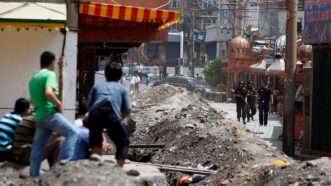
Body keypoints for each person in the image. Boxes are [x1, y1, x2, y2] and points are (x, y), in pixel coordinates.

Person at [29, 51, 79, 177]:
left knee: (38, 148)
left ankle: (33, 176)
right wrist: (59, 104)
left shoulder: (34, 78)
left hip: (40, 116)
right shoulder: (50, 74)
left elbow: (32, 100)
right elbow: (48, 93)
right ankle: (64, 164)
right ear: (51, 62)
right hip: (50, 113)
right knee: (73, 132)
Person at [87, 62, 132, 167]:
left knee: (95, 138)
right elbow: (128, 109)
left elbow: (89, 105)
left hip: (95, 114)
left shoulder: (97, 87)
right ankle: (119, 166)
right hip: (112, 117)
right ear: (120, 75)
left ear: (105, 74)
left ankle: (95, 153)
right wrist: (119, 118)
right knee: (123, 141)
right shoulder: (122, 88)